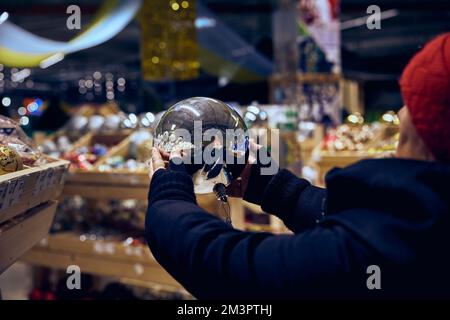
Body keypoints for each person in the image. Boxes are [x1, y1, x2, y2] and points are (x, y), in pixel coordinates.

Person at [145, 33, 450, 299]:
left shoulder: (405, 239)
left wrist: (168, 196)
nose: (400, 111)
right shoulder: (425, 214)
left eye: (411, 102)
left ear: (429, 129)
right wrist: (273, 186)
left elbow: (237, 271)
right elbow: (347, 217)